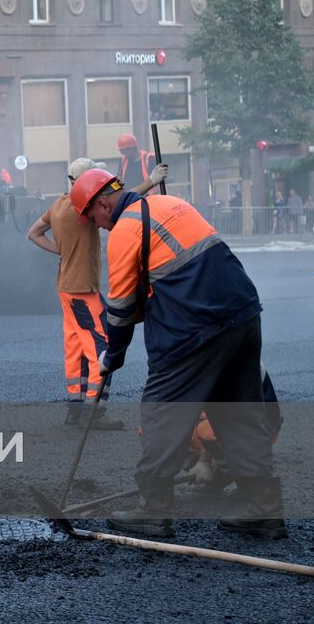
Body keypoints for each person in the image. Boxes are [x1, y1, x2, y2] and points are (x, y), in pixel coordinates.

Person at [70, 168, 285, 540]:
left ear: (103, 205)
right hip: (242, 314)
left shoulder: (124, 232)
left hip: (194, 328)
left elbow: (120, 309)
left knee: (161, 411)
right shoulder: (170, 203)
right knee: (238, 413)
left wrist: (112, 355)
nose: (96, 226)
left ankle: (153, 510)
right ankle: (265, 510)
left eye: (92, 219)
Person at [26, 157, 167, 428]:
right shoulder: (82, 210)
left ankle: (75, 409)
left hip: (66, 288)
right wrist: (151, 181)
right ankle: (95, 413)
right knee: (101, 348)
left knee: (75, 349)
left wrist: (60, 250)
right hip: (83, 289)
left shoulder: (58, 206)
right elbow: (119, 202)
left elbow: (33, 233)